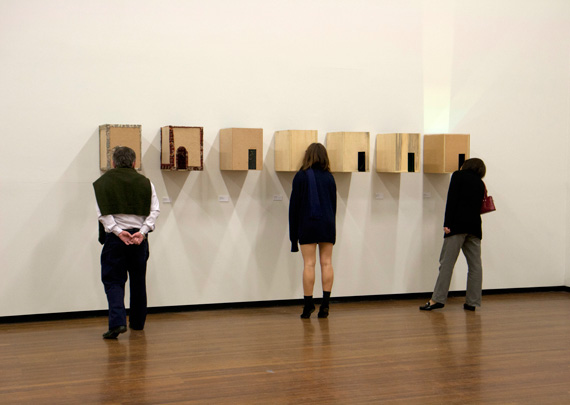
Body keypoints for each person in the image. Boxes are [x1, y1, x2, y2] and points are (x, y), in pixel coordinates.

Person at [93, 146, 160, 339]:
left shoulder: (102, 182)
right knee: (138, 280)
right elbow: (154, 211)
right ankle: (138, 322)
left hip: (116, 240)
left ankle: (118, 322)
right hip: (139, 239)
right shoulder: (146, 182)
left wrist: (118, 231)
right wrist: (142, 231)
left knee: (114, 280)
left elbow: (103, 214)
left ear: (113, 163)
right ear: (134, 163)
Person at [420, 158, 486, 311]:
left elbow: (452, 199)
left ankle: (437, 299)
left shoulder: (458, 175)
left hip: (457, 226)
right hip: (475, 228)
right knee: (475, 266)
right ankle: (472, 302)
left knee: (447, 264)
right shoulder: (480, 183)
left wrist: (447, 223)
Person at [289, 143, 337, 319]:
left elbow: (294, 208)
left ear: (307, 155)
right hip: (327, 223)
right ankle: (325, 305)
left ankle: (308, 305)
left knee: (309, 264)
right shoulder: (329, 178)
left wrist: (293, 237)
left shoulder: (301, 176)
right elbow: (333, 205)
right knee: (327, 263)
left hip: (307, 223)